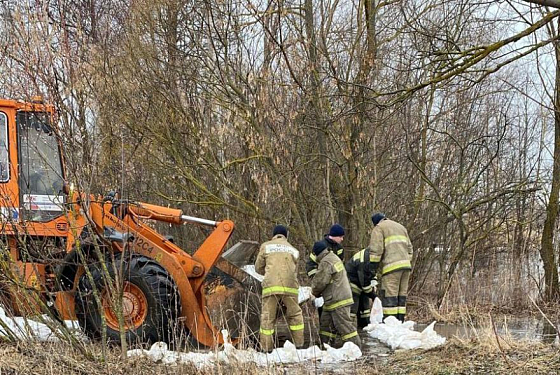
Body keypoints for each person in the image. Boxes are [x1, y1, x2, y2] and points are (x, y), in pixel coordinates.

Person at [255, 225, 304, 352]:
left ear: (274, 235)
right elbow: (295, 271)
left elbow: (258, 267)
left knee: (268, 317)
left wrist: (268, 273)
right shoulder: (294, 250)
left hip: (271, 287)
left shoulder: (266, 246)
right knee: (295, 315)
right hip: (290, 288)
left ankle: (266, 349)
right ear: (286, 236)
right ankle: (299, 345)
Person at [311, 241, 361, 348]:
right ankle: (326, 347)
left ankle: (356, 348)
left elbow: (320, 282)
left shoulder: (326, 262)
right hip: (333, 299)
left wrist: (313, 292)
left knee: (345, 327)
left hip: (337, 300)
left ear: (317, 253)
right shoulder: (333, 257)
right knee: (326, 326)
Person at [369, 213, 413, 322]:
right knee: (401, 297)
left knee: (390, 297)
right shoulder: (400, 227)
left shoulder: (379, 228)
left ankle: (391, 324)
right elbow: (410, 249)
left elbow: (376, 250)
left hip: (391, 268)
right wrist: (405, 260)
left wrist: (372, 268)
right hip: (406, 266)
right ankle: (400, 322)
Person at [345, 247, 377, 328]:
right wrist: (373, 295)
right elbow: (364, 283)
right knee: (353, 308)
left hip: (361, 283)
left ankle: (364, 326)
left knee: (365, 309)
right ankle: (348, 328)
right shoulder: (364, 261)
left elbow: (372, 273)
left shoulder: (373, 257)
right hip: (352, 282)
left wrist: (373, 284)